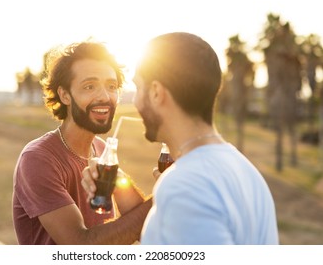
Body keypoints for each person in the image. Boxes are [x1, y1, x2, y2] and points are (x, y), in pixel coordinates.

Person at [82, 32, 279, 244]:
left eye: (139, 87)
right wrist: (116, 183)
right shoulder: (246, 172)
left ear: (156, 92)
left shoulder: (184, 187)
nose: (136, 101)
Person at [12, 40, 152, 245]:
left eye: (111, 86)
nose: (104, 96)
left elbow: (142, 228)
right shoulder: (38, 158)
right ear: (65, 95)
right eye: (89, 86)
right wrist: (162, 198)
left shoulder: (102, 149)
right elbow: (80, 246)